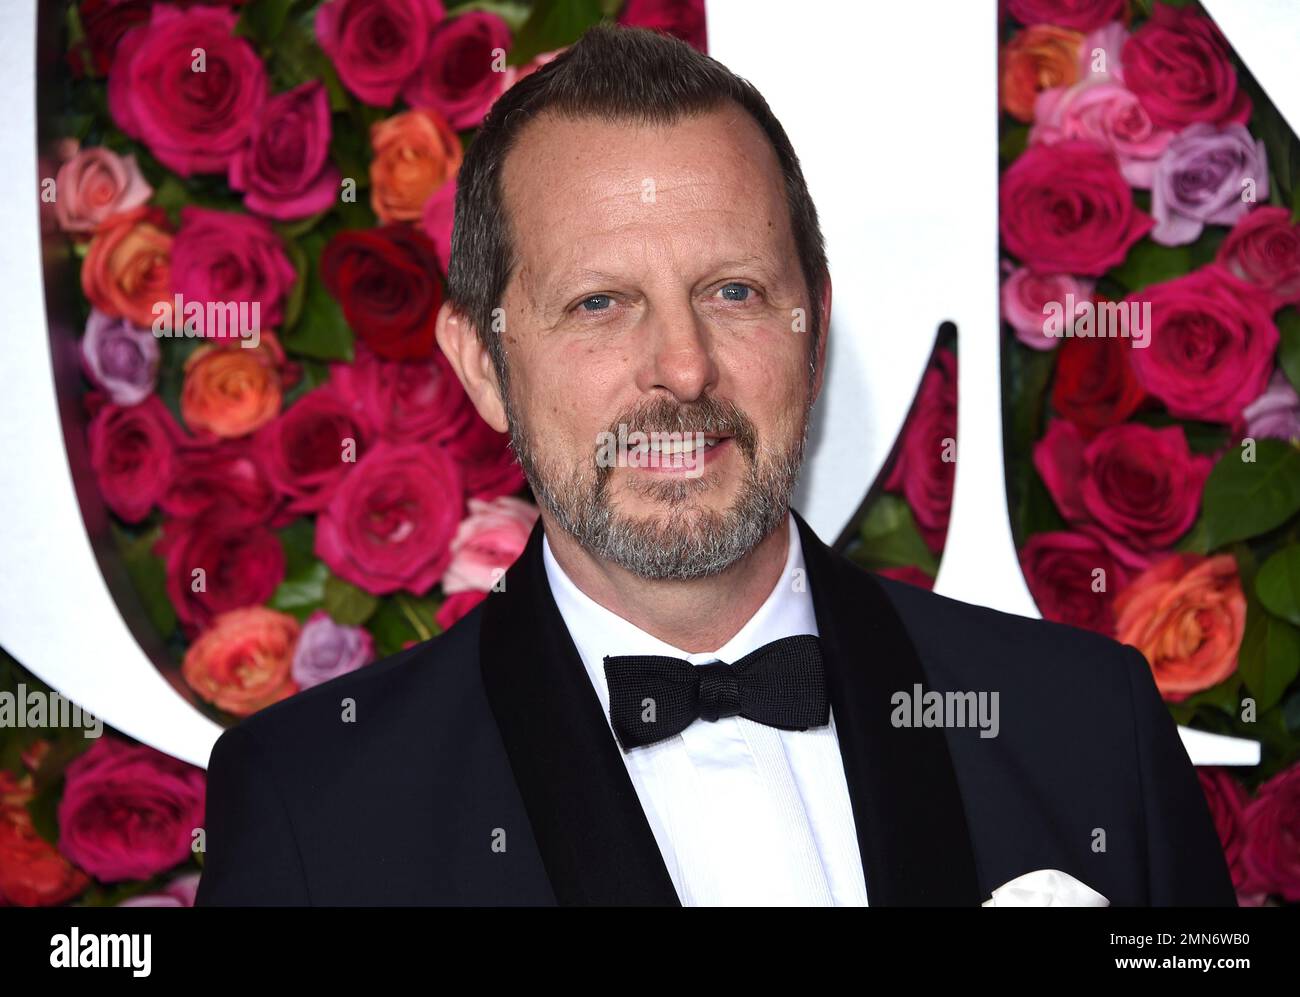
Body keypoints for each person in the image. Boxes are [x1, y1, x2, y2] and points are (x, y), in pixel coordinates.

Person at [195, 22, 1235, 907]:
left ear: (813, 328)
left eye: (733, 291)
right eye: (599, 303)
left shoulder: (1087, 726)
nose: (682, 367)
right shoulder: (314, 812)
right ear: (481, 363)